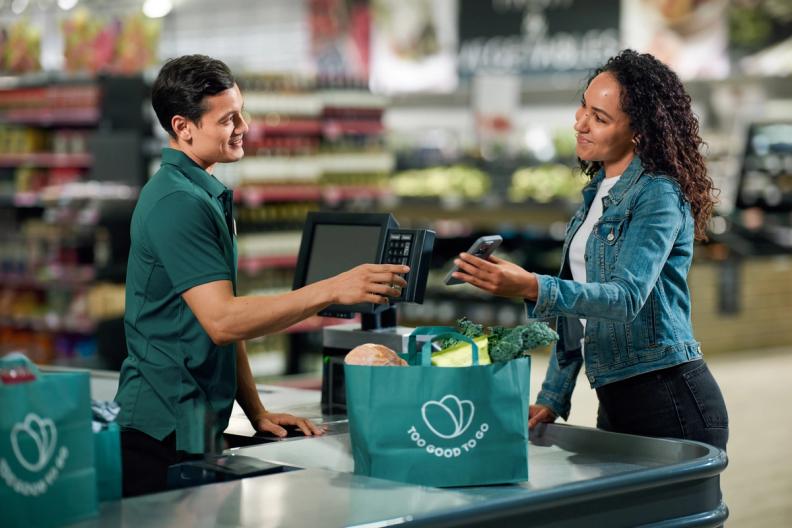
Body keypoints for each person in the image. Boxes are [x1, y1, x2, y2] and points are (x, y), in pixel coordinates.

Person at [115, 55, 409, 497]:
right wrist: (332, 287)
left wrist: (257, 412)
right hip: (160, 431)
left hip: (192, 422)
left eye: (242, 112)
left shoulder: (202, 193)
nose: (244, 127)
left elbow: (226, 325)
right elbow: (223, 322)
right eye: (228, 119)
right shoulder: (178, 203)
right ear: (183, 126)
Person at [451, 49, 728, 450]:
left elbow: (624, 298)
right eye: (583, 108)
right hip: (615, 398)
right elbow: (578, 317)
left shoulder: (658, 194)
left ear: (639, 132)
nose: (580, 123)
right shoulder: (596, 194)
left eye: (600, 118)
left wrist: (533, 286)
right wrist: (553, 396)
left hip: (669, 399)